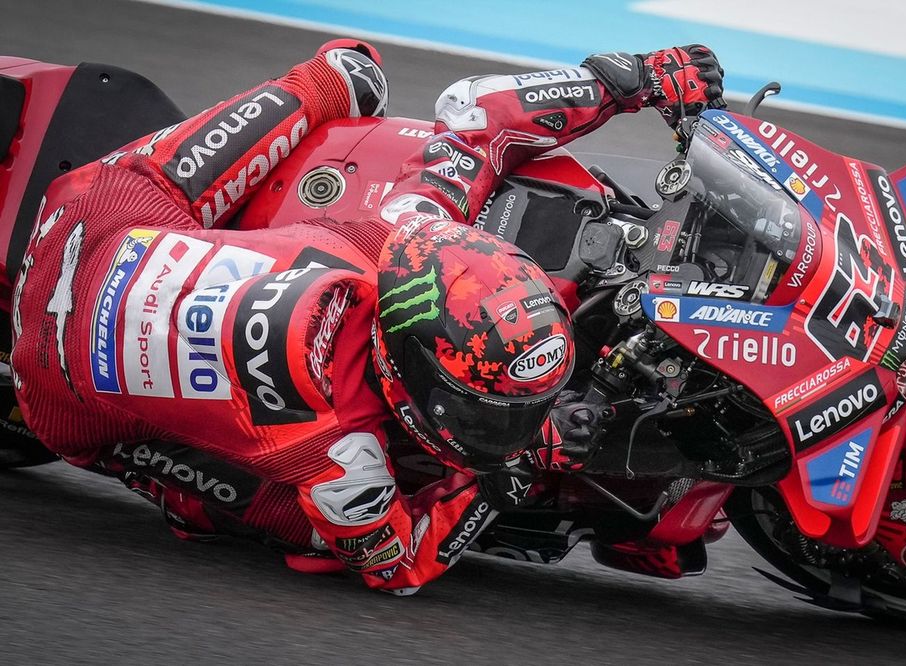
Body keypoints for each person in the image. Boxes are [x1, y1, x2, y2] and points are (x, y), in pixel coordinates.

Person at [9, 39, 725, 593]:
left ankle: (323, 86)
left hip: (96, 218)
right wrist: (512, 465)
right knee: (274, 524)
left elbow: (478, 117)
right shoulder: (341, 458)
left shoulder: (404, 233)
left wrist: (627, 79)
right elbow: (400, 564)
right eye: (485, 412)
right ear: (403, 368)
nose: (502, 425)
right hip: (58, 397)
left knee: (347, 75)